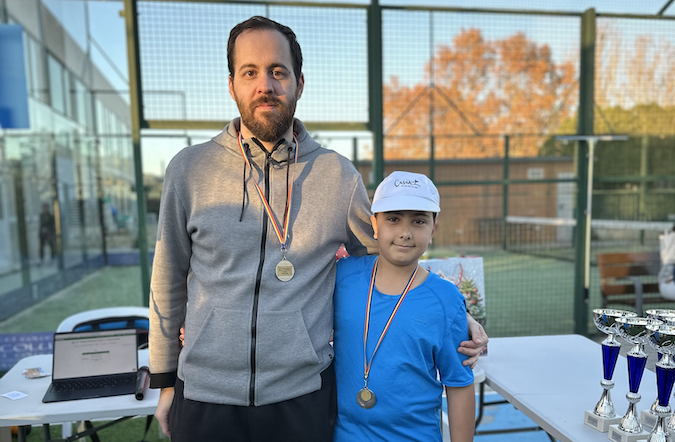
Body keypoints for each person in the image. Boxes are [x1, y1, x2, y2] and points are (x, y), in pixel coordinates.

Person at [149, 16, 487, 442]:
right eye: (249, 72)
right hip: (204, 395)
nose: (265, 85)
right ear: (231, 84)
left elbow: (389, 255)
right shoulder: (189, 169)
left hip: (301, 398)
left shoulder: (337, 175)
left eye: (278, 71)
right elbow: (167, 278)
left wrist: (457, 316)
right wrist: (165, 383)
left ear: (299, 83)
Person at [333, 171, 475, 441]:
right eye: (393, 219)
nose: (405, 233)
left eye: (419, 221)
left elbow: (459, 384)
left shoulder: (446, 300)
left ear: (433, 230)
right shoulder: (342, 277)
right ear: (374, 224)